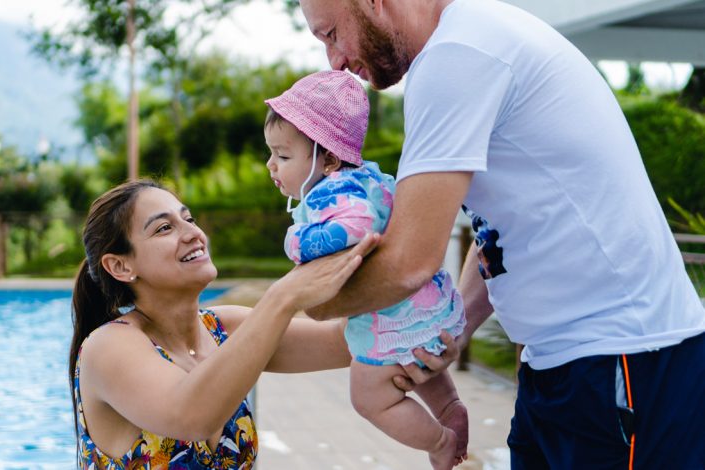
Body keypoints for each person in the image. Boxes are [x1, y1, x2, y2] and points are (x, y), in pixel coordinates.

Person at [295, 0, 705, 468]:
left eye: (330, 34)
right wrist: (455, 328)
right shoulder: (472, 36)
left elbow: (409, 261)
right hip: (566, 365)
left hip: (624, 358)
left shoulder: (456, 56)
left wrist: (308, 299)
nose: (335, 61)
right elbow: (499, 224)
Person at [69, 179, 386, 469]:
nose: (193, 233)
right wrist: (282, 298)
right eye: (164, 228)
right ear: (120, 266)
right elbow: (192, 415)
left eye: (188, 219)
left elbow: (347, 341)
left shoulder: (224, 329)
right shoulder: (108, 347)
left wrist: (421, 318)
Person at [264, 70, 468, 469]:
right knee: (415, 358)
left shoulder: (333, 191)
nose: (272, 165)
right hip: (427, 311)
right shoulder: (369, 178)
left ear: (329, 159)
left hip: (397, 318)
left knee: (369, 396)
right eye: (271, 153)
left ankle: (440, 440)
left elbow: (356, 224)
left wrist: (296, 241)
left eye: (284, 155)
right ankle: (451, 408)